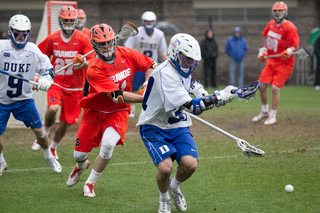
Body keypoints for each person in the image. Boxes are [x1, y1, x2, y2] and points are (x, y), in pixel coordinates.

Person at [136, 33, 237, 213]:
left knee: (190, 164)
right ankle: (164, 197)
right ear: (174, 53)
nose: (190, 64)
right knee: (166, 168)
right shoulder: (165, 74)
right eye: (187, 59)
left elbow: (189, 83)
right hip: (154, 126)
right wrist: (219, 97)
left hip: (177, 124)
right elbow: (192, 107)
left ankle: (174, 188)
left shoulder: (180, 68)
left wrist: (202, 92)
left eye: (193, 61)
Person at [66, 23, 156, 197]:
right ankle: (80, 166)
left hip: (119, 111)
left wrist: (147, 85)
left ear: (114, 41)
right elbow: (117, 95)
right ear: (94, 45)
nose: (106, 47)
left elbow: (150, 64)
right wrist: (145, 98)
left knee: (108, 146)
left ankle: (90, 183)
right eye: (101, 44)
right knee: (79, 155)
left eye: (108, 42)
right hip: (96, 110)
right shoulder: (93, 68)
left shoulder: (127, 54)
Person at [0, 14, 61, 176]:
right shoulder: (1, 47)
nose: (21, 37)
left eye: (24, 33)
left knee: (40, 132)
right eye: (17, 33)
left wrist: (46, 79)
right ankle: (0, 161)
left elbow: (49, 69)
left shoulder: (33, 50)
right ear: (10, 32)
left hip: (24, 100)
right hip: (1, 100)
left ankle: (49, 156)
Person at [31, 6, 94, 160]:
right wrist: (37, 76)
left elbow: (92, 63)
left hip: (76, 86)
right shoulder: (53, 38)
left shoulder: (83, 38)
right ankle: (44, 132)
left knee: (66, 122)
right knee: (53, 108)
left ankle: (53, 147)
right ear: (60, 21)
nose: (68, 23)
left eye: (71, 20)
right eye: (66, 20)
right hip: (56, 82)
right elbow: (38, 57)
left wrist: (83, 62)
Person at [254, 1, 299, 125]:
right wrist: (263, 52)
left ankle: (272, 115)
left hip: (285, 63)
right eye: (275, 10)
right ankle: (264, 112)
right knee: (261, 86)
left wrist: (289, 51)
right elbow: (267, 40)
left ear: (285, 12)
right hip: (272, 61)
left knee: (274, 88)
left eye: (279, 10)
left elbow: (295, 46)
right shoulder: (271, 24)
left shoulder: (290, 27)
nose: (277, 12)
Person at [124, 11, 167, 118]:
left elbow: (163, 53)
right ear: (143, 22)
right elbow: (127, 48)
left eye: (151, 22)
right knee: (134, 87)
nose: (149, 24)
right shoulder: (136, 32)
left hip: (152, 66)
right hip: (138, 66)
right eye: (147, 21)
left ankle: (154, 110)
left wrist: (165, 65)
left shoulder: (159, 34)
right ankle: (132, 110)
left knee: (154, 89)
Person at [76, 9, 91, 97]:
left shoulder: (89, 33)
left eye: (81, 18)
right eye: (78, 18)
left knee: (87, 94)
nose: (79, 21)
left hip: (87, 67)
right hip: (74, 67)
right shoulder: (70, 35)